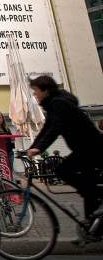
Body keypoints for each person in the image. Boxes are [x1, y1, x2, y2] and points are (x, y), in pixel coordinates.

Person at [28, 75, 103, 222]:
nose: (35, 95)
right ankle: (93, 228)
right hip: (86, 148)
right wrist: (32, 147)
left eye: (36, 91)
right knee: (88, 185)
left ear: (46, 91)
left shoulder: (59, 104)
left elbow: (55, 128)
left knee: (63, 171)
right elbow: (46, 128)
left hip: (91, 147)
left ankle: (98, 199)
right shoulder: (54, 104)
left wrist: (39, 148)